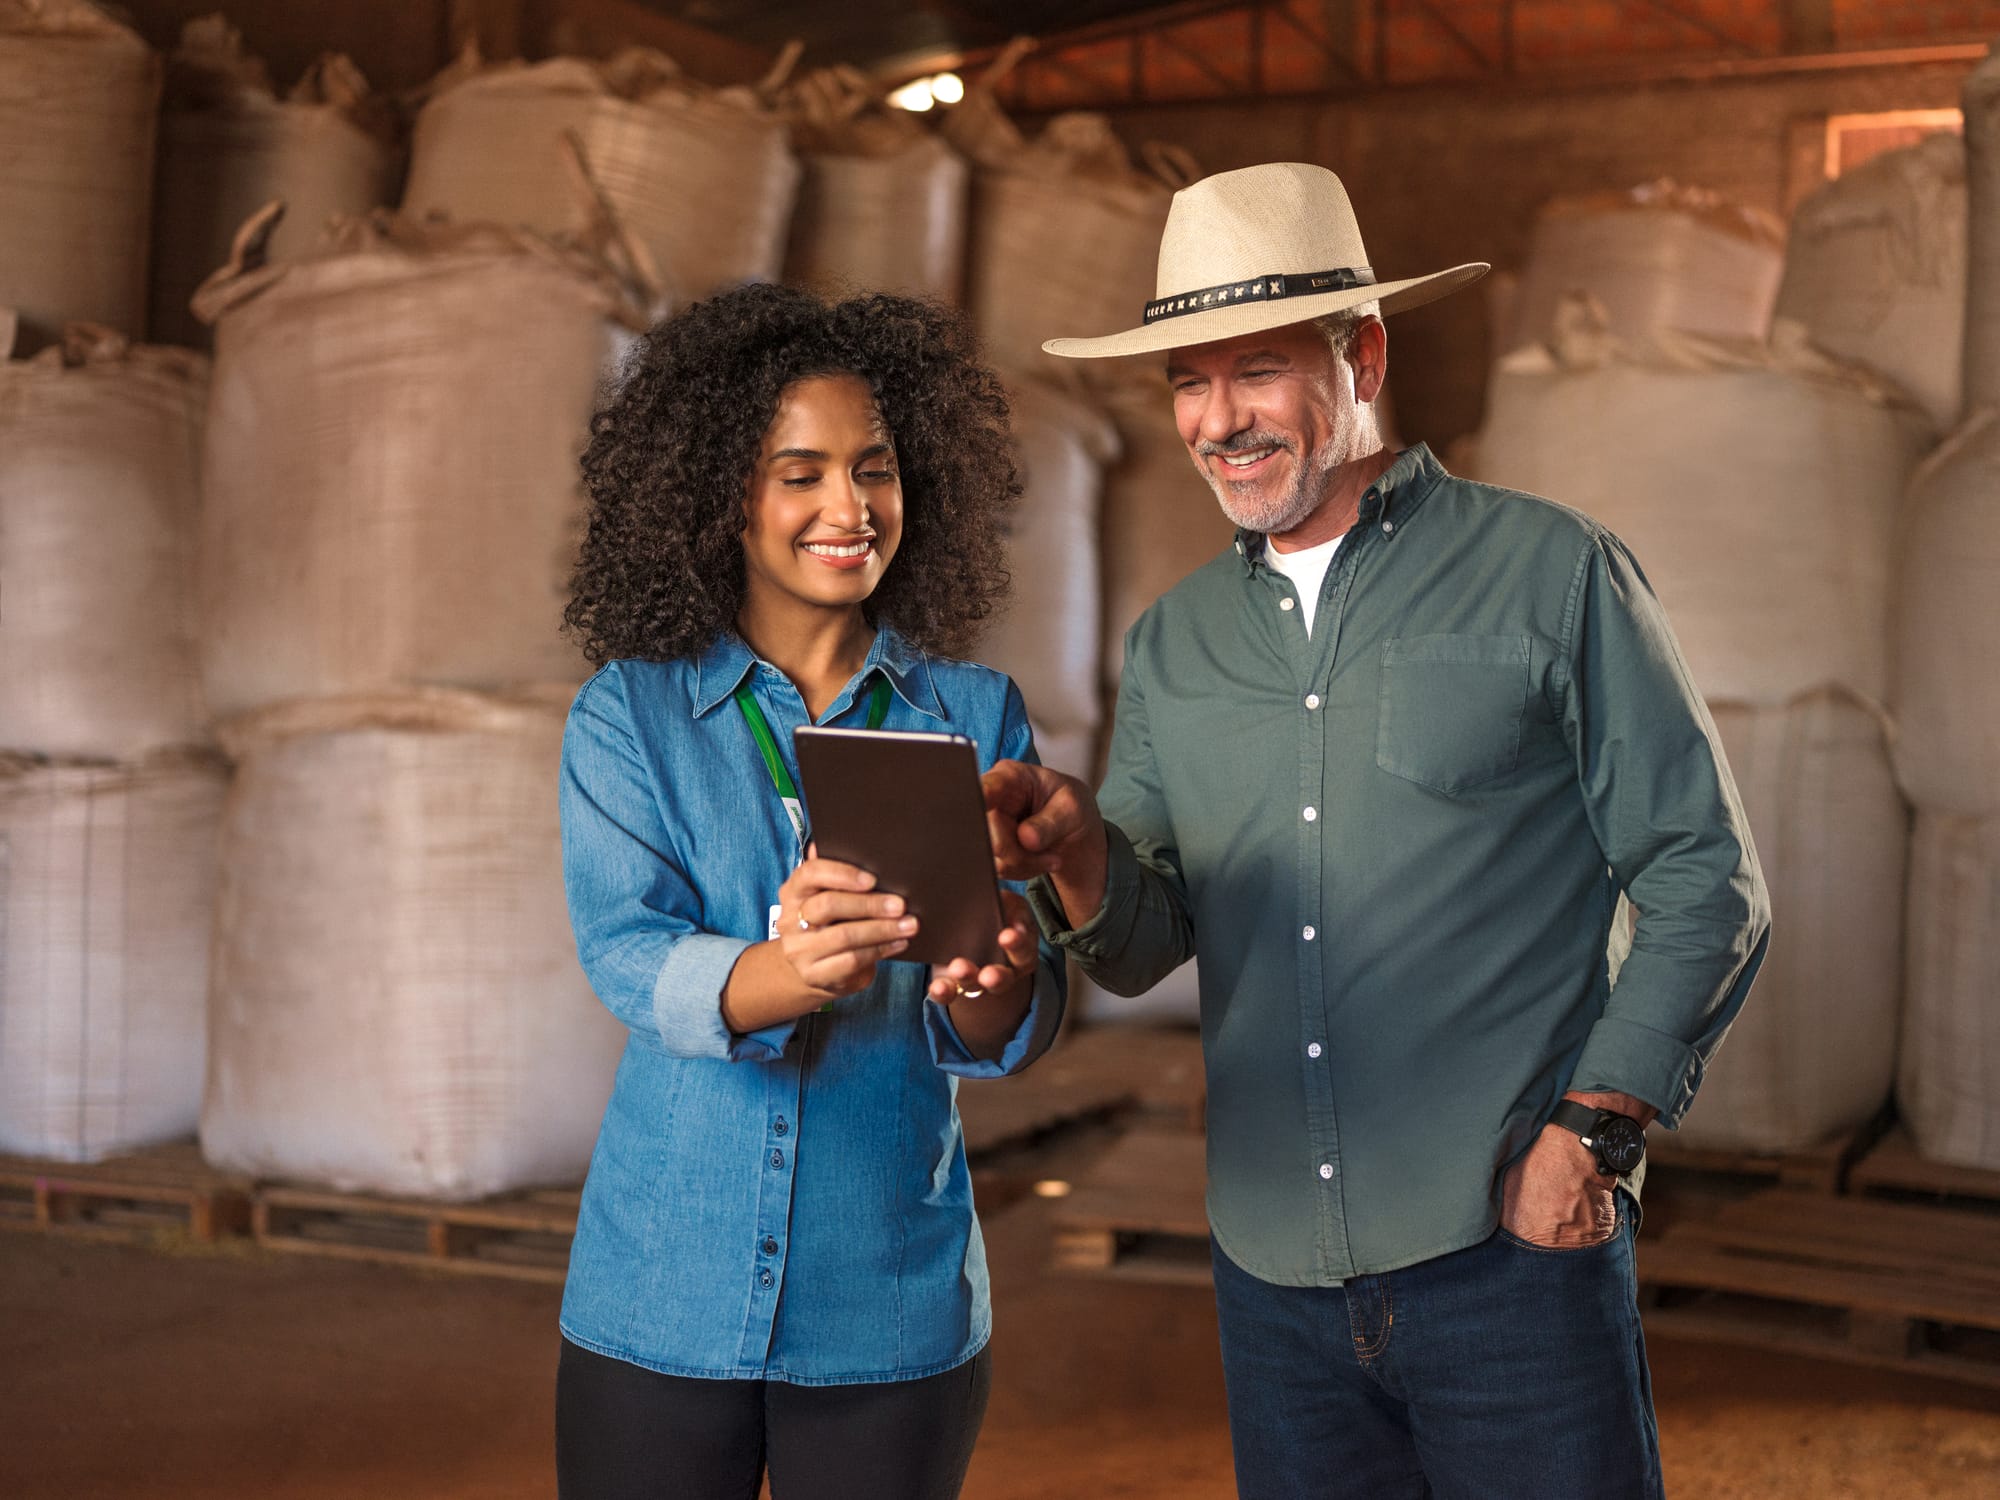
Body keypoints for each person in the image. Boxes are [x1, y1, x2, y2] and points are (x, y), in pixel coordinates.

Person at [985, 162, 1770, 1499]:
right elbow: (1142, 941)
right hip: (1272, 1285)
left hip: (1507, 1263)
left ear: (1363, 354)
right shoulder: (1172, 643)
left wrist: (1590, 1135)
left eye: (1257, 370)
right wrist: (1074, 852)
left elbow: (1708, 877)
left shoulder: (1552, 571)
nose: (1218, 420)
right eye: (1187, 378)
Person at [555, 283, 1065, 1500]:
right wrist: (781, 973)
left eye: (875, 469)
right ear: (720, 495)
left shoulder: (973, 715)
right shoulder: (628, 713)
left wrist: (997, 968)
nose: (850, 508)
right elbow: (623, 949)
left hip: (885, 1305)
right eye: (801, 473)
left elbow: (991, 1021)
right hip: (659, 1297)